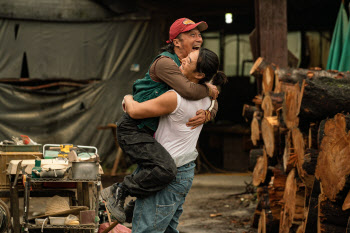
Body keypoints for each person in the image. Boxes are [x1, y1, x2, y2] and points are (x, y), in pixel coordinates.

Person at [101, 18, 220, 223]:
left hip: (148, 130)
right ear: (176, 42)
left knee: (159, 171)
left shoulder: (194, 66)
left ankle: (135, 202)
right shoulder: (166, 63)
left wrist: (211, 109)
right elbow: (188, 90)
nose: (199, 38)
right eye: (192, 34)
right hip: (134, 127)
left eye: (199, 34)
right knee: (165, 169)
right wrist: (209, 89)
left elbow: (206, 95)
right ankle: (117, 192)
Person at [123, 48, 227, 233]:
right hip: (185, 171)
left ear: (200, 74)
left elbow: (134, 111)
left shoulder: (175, 98)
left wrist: (127, 96)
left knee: (146, 230)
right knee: (168, 229)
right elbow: (211, 99)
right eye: (187, 56)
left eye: (189, 61)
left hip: (166, 172)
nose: (183, 60)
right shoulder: (207, 99)